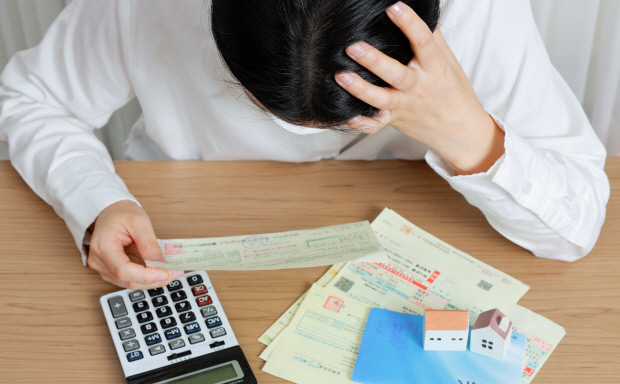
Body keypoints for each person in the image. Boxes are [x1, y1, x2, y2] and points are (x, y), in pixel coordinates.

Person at [0, 0, 609, 290]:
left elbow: (574, 231)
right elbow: (29, 97)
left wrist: (465, 128)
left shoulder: (480, 11)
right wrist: (95, 200)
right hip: (178, 228)